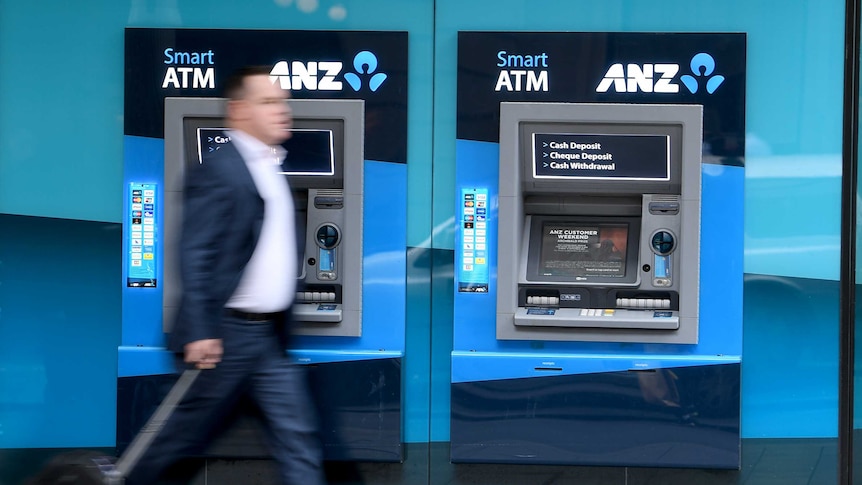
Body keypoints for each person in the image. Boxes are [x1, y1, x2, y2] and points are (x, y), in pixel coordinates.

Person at [125, 66, 325, 485]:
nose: (282, 110)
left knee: (298, 437)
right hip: (226, 334)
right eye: (268, 102)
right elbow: (195, 250)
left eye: (282, 101)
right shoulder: (221, 168)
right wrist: (200, 329)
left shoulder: (270, 168)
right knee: (177, 438)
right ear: (238, 111)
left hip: (267, 338)